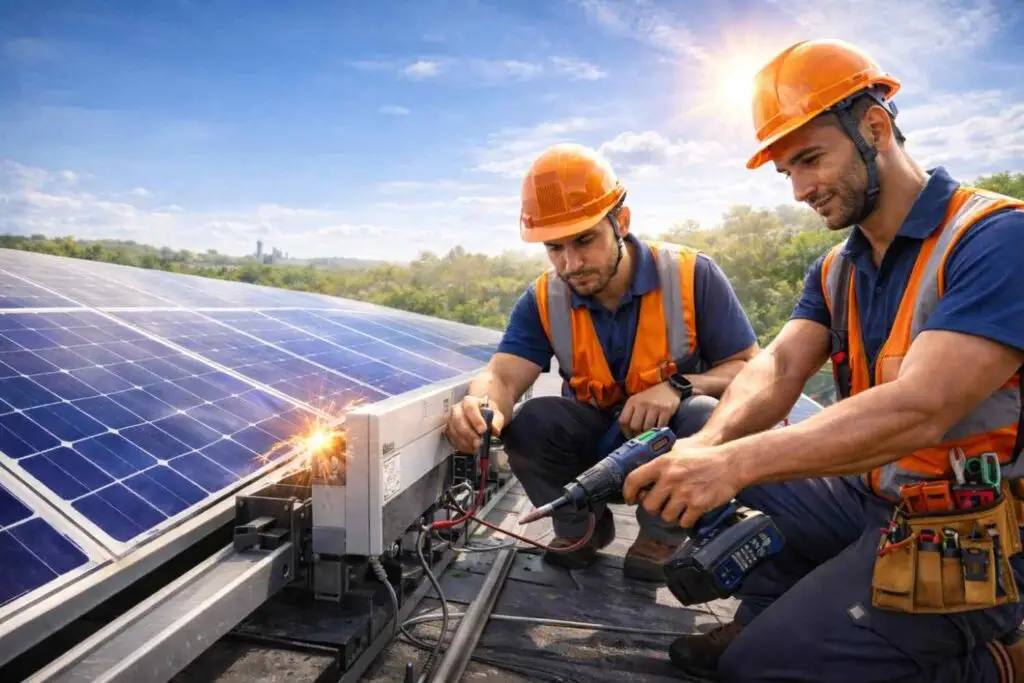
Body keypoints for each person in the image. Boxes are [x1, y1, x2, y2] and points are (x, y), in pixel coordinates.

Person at [620, 38, 1024, 682]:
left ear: (874, 126)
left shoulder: (996, 239)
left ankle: (994, 662)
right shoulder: (837, 267)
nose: (802, 189)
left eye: (811, 159)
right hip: (874, 496)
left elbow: (920, 410)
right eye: (787, 172)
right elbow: (777, 369)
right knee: (699, 419)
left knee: (764, 672)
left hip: (971, 531)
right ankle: (769, 610)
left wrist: (735, 462)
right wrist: (711, 447)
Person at [444, 142, 759, 582]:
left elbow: (750, 369)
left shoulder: (691, 276)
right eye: (555, 248)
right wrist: (481, 407)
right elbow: (502, 374)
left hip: (670, 445)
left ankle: (662, 534)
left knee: (704, 414)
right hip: (596, 448)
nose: (571, 263)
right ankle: (582, 527)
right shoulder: (543, 298)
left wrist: (680, 387)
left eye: (584, 240)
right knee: (532, 420)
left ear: (621, 223)